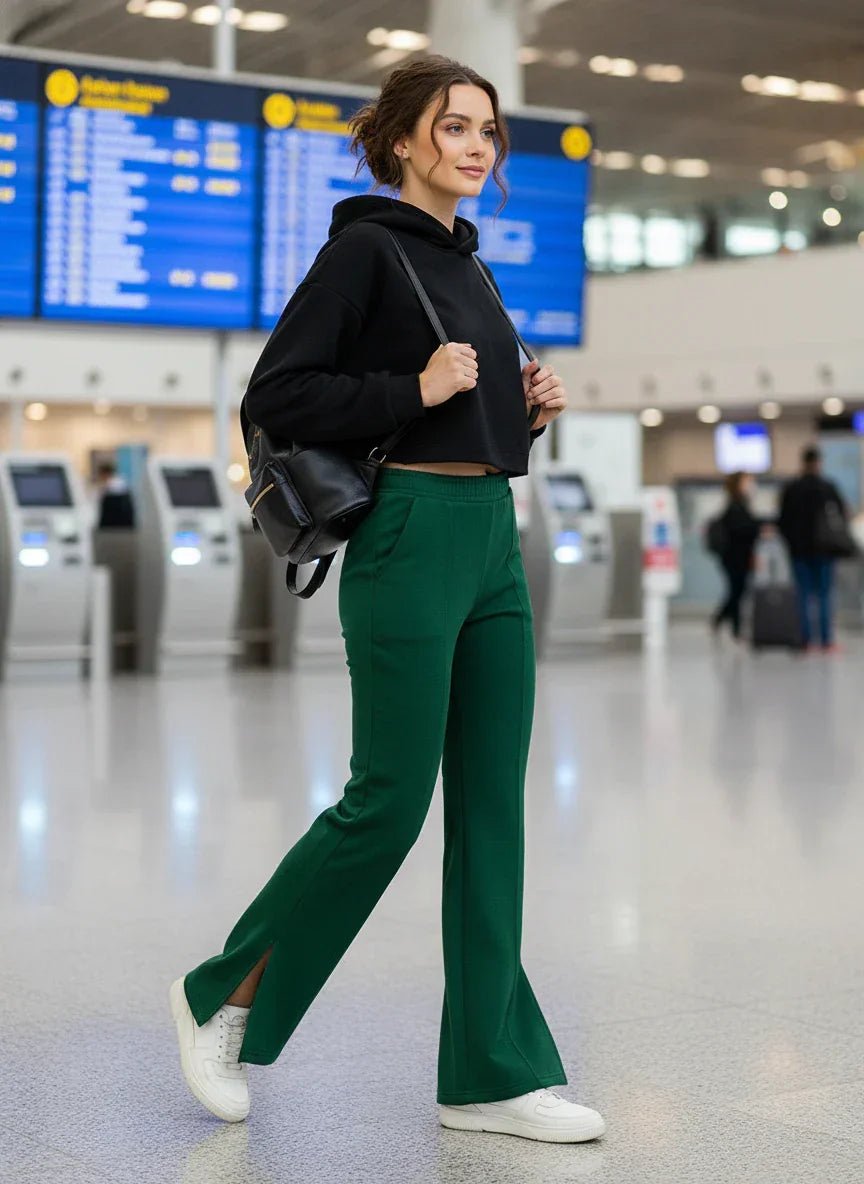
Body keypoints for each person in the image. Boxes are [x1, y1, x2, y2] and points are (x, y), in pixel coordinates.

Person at [168, 56, 605, 1145]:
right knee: (389, 800)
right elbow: (277, 393)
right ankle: (221, 996)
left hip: (490, 540)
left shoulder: (475, 269)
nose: (476, 146)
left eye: (489, 133)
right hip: (407, 537)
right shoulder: (364, 249)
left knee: (494, 804)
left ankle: (490, 1070)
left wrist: (526, 407)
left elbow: (470, 413)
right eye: (454, 127)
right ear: (405, 140)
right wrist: (413, 388)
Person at [778, 446, 846, 652]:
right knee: (825, 595)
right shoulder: (827, 487)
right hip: (825, 551)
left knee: (803, 595)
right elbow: (841, 516)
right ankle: (826, 641)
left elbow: (783, 520)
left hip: (799, 551)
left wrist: (791, 544)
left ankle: (805, 641)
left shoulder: (792, 488)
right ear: (819, 463)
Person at [710, 471, 761, 641]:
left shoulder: (739, 503)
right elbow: (743, 530)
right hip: (734, 557)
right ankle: (730, 625)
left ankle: (727, 623)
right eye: (748, 482)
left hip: (736, 556)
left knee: (737, 591)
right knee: (737, 592)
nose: (751, 485)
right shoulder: (735, 505)